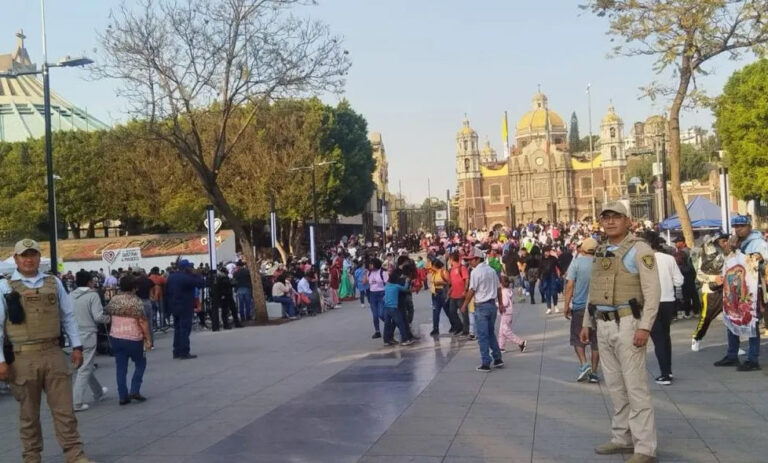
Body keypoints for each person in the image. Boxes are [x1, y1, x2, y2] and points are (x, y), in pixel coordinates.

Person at [0, 239, 95, 463]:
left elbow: (68, 316)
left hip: (53, 352)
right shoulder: (4, 286)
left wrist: (77, 346)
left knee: (64, 411)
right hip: (22, 356)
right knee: (29, 414)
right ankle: (31, 457)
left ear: (38, 257)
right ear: (16, 259)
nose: (29, 259)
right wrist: (1, 361)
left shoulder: (53, 282)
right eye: (24, 255)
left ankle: (75, 455)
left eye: (32, 254)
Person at [580, 202, 660, 462]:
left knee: (635, 386)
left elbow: (652, 291)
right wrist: (586, 323)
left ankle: (644, 447)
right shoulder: (602, 249)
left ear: (628, 221)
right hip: (602, 323)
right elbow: (594, 289)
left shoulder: (640, 250)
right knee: (615, 385)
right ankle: (621, 437)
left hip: (628, 323)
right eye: (606, 217)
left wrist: (645, 326)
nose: (611, 221)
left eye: (616, 217)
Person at [713, 215, 768, 371]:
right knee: (731, 318)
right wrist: (728, 249)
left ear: (749, 226)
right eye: (736, 227)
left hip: (752, 289)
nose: (738, 229)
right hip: (734, 289)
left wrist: (757, 258)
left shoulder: (759, 243)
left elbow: (764, 262)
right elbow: (726, 261)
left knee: (751, 321)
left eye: (741, 226)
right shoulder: (734, 241)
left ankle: (752, 358)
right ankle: (732, 355)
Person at [645, 231, 684, 385]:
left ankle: (665, 373)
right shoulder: (669, 259)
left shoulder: (643, 260)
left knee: (658, 339)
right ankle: (668, 370)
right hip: (669, 301)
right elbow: (679, 280)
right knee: (666, 337)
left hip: (651, 302)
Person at [106, 275, 151, 405]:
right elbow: (142, 321)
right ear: (134, 288)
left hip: (116, 336)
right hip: (134, 337)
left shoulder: (114, 300)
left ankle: (122, 395)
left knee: (121, 367)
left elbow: (107, 312)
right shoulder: (136, 301)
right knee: (140, 363)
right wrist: (148, 338)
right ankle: (135, 390)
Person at [71, 270, 111, 412]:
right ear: (89, 282)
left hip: (74, 335)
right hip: (88, 333)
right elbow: (98, 317)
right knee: (85, 368)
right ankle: (77, 401)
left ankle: (98, 391)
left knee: (85, 365)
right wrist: (110, 319)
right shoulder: (92, 295)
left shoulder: (70, 296)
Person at [460, 247, 504, 372]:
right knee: (490, 333)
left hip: (482, 306)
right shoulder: (491, 271)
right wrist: (500, 304)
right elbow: (499, 289)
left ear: (478, 259)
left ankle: (486, 362)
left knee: (482, 335)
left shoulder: (475, 272)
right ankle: (498, 358)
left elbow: (472, 290)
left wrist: (464, 304)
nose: (469, 262)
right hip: (492, 306)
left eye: (471, 260)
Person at [564, 237, 600, 383]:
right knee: (596, 341)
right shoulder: (599, 263)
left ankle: (584, 364)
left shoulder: (576, 263)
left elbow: (570, 285)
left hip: (579, 306)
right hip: (597, 307)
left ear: (582, 249)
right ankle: (594, 371)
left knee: (578, 339)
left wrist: (566, 305)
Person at [691, 234, 728, 351]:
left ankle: (734, 346)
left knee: (731, 318)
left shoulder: (729, 254)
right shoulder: (706, 256)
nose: (726, 243)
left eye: (727, 240)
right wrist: (714, 279)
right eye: (723, 241)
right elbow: (699, 275)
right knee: (706, 317)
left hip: (727, 291)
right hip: (710, 292)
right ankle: (696, 338)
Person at [165, 259, 205, 360]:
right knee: (185, 329)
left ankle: (176, 351)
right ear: (187, 268)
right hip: (185, 306)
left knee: (177, 329)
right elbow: (201, 283)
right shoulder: (187, 278)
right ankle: (184, 351)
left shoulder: (171, 277)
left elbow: (167, 291)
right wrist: (196, 274)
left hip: (174, 305)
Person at [382, 269, 414, 346]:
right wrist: (407, 281)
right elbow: (405, 289)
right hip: (394, 308)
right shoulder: (396, 286)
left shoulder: (386, 286)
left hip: (386, 307)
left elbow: (384, 297)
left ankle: (386, 339)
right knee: (401, 323)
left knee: (387, 324)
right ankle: (405, 340)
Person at [497, 274, 527, 353]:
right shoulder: (508, 290)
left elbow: (505, 303)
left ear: (501, 283)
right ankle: (501, 347)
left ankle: (520, 342)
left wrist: (497, 304)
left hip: (505, 313)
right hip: (508, 313)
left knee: (505, 331)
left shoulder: (503, 292)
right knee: (502, 331)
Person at [673, 236, 700, 319]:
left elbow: (678, 262)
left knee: (687, 294)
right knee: (693, 293)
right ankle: (696, 310)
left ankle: (688, 312)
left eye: (677, 242)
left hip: (686, 274)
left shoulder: (682, 252)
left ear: (682, 243)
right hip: (691, 273)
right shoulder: (688, 250)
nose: (675, 244)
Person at [364, 258, 387, 339]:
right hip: (372, 294)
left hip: (381, 294)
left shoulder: (383, 273)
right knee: (375, 315)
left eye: (371, 264)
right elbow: (364, 283)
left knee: (381, 314)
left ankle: (389, 324)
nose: (370, 265)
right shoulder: (369, 273)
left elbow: (387, 284)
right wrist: (365, 273)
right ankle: (377, 331)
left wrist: (386, 295)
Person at [447, 251, 469, 335]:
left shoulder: (462, 268)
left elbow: (466, 279)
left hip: (461, 294)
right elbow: (453, 282)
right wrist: (450, 290)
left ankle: (466, 329)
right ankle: (459, 326)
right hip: (453, 294)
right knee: (452, 312)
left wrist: (465, 290)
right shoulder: (451, 270)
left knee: (463, 312)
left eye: (450, 259)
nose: (449, 261)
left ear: (452, 259)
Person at [428, 259, 449, 336]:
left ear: (435, 266)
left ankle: (455, 325)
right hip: (435, 294)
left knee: (447, 311)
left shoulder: (443, 272)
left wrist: (441, 282)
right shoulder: (433, 273)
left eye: (432, 266)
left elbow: (449, 282)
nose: (431, 267)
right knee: (435, 312)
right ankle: (435, 328)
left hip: (442, 293)